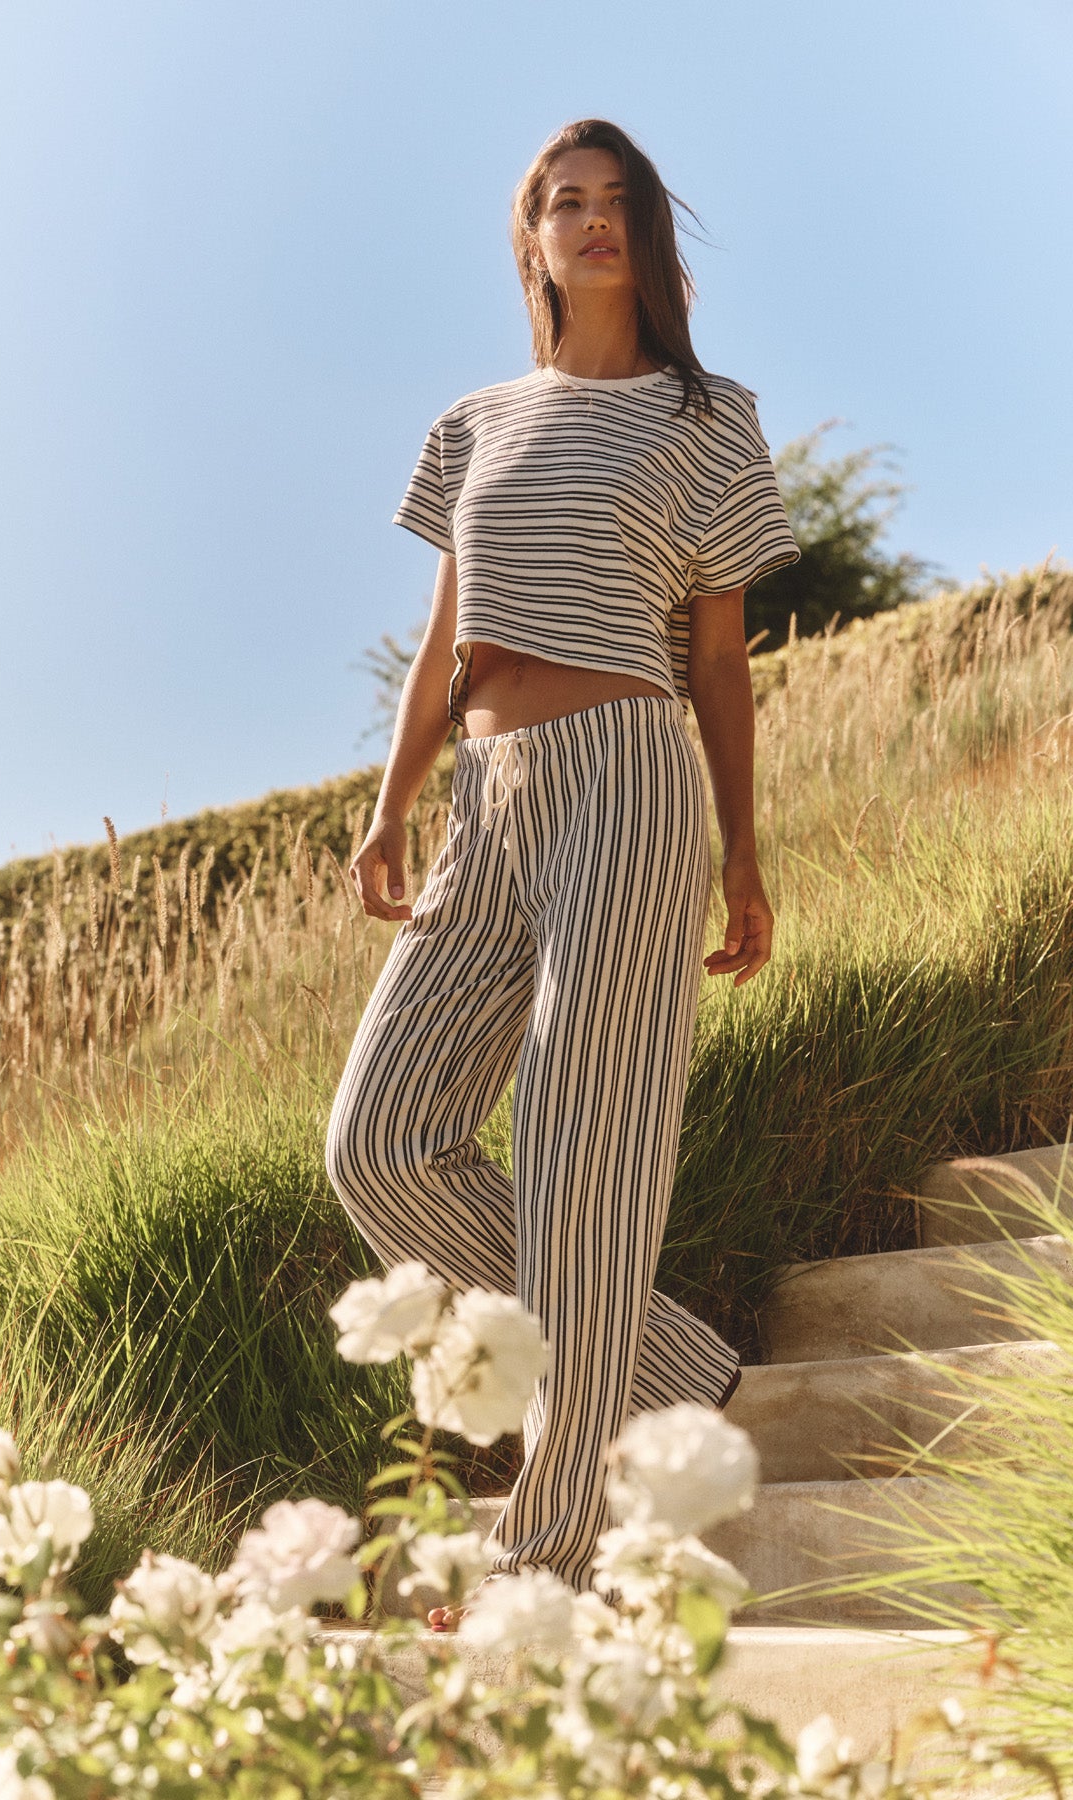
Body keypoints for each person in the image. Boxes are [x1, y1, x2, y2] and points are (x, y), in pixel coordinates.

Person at [324, 117, 801, 1631]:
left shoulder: (706, 416)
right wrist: (394, 806)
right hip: (489, 793)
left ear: (649, 237)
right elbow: (445, 628)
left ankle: (548, 1547)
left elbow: (718, 657)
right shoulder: (474, 422)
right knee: (379, 1143)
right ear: (529, 238)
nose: (589, 225)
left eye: (615, 204)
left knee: (586, 1153)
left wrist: (743, 853)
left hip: (631, 779)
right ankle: (664, 1371)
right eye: (562, 204)